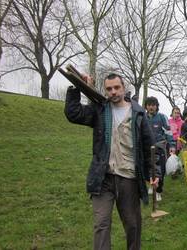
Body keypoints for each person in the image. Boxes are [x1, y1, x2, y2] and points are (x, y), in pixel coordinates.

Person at [64, 73, 159, 250]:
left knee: (132, 226)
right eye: (109, 89)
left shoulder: (138, 113)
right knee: (101, 225)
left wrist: (154, 173)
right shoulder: (100, 110)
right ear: (105, 90)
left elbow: (149, 147)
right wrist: (77, 86)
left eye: (117, 87)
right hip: (103, 178)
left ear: (123, 87)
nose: (113, 92)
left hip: (128, 177)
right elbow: (73, 114)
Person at [144, 96, 175, 201]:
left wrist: (172, 145)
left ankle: (158, 191)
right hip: (147, 148)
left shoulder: (162, 117)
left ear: (157, 106)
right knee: (148, 169)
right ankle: (151, 185)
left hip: (160, 148)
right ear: (146, 106)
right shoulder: (143, 117)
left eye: (153, 105)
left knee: (160, 170)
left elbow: (168, 132)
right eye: (149, 105)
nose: (151, 107)